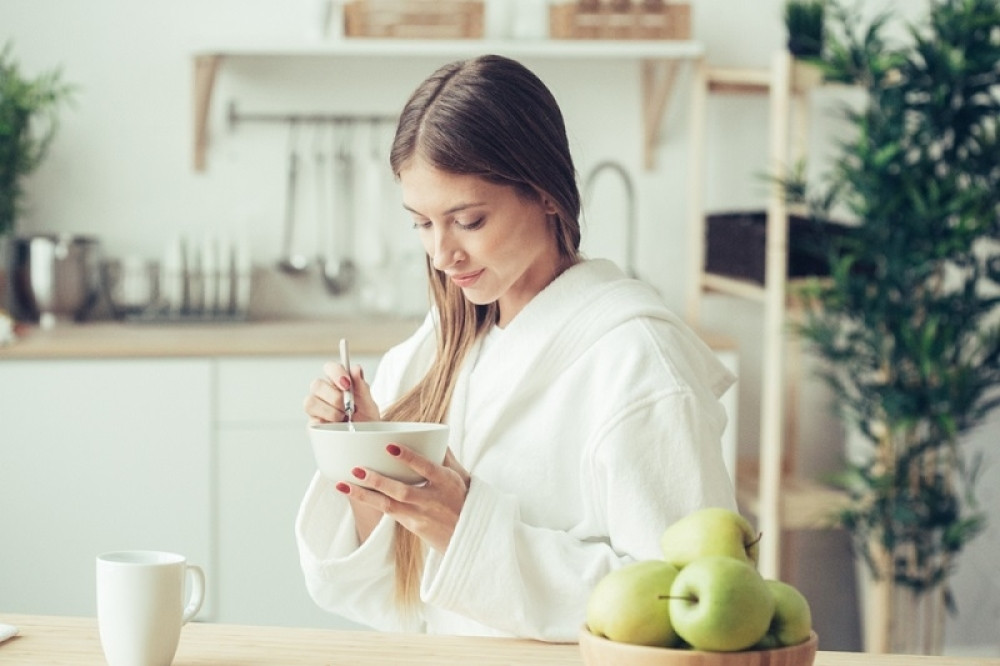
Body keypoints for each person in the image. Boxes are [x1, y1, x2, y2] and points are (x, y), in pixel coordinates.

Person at [296, 54, 736, 642]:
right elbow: (391, 599)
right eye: (422, 224)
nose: (441, 254)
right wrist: (370, 460)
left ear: (546, 195)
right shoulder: (433, 351)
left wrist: (467, 529)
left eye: (469, 220)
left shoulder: (639, 362)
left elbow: (686, 608)